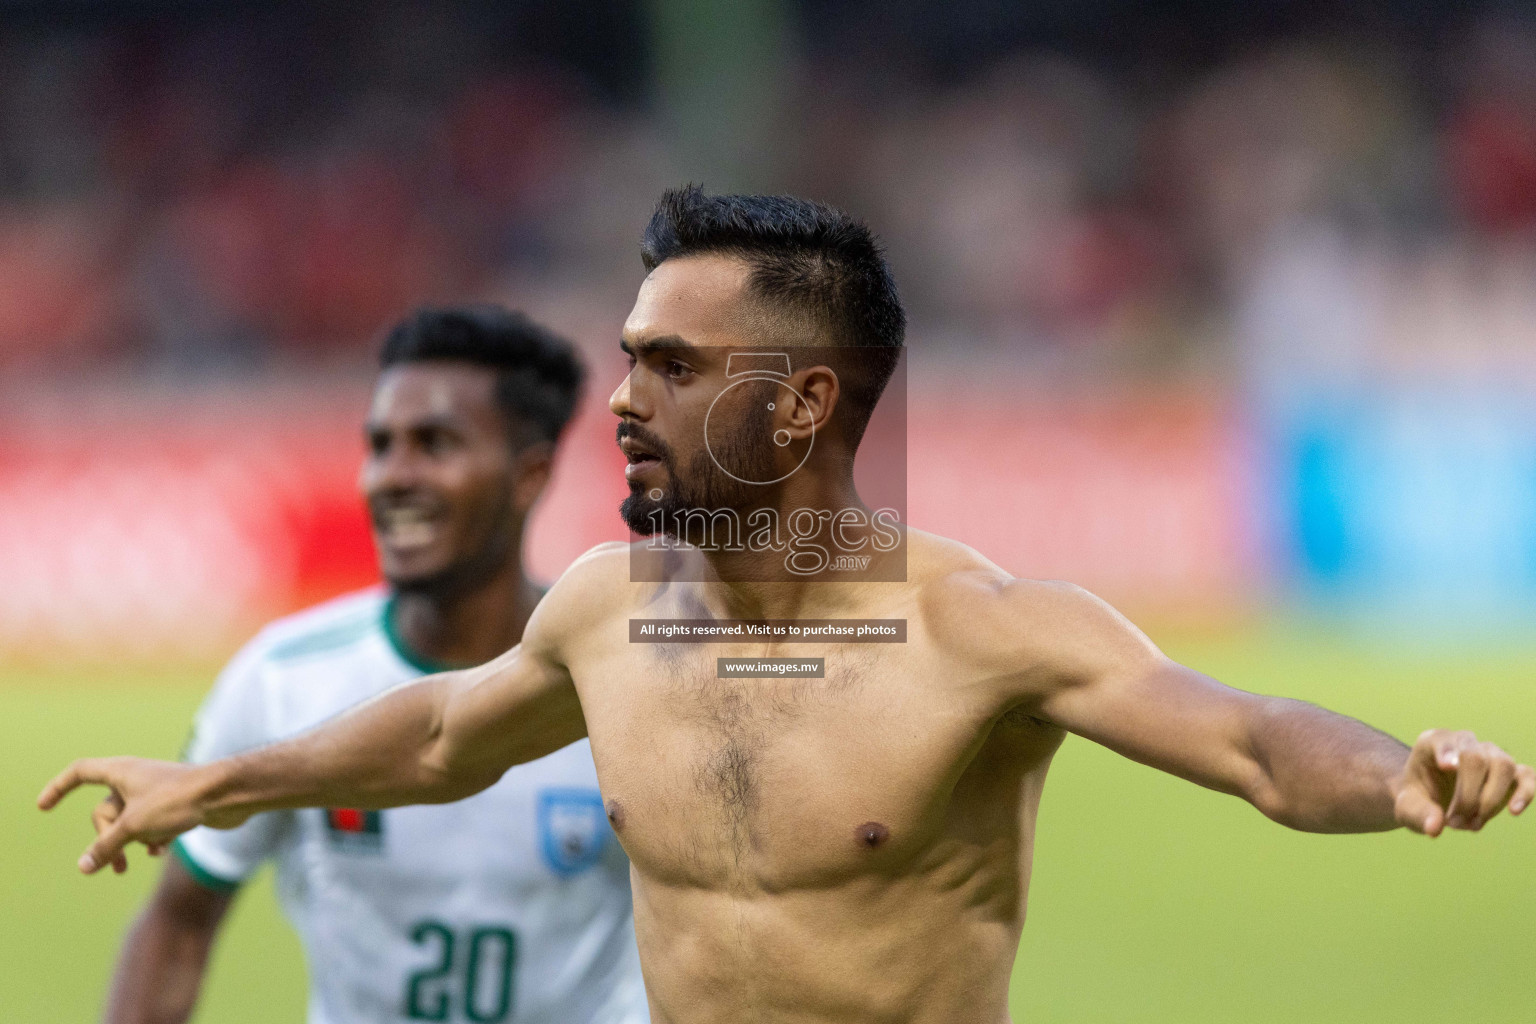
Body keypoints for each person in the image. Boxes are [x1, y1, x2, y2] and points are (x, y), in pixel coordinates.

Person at [43, 189, 1533, 1024]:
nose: (621, 402)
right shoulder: (610, 609)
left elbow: (1263, 744)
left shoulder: (982, 631)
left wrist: (1399, 771)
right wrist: (214, 783)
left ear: (805, 401)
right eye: (628, 359)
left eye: (673, 370)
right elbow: (440, 736)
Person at [95, 307, 648, 1024]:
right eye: (380, 445)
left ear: (529, 474)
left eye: (435, 444)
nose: (393, 476)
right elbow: (178, 921)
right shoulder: (283, 679)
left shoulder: (624, 682)